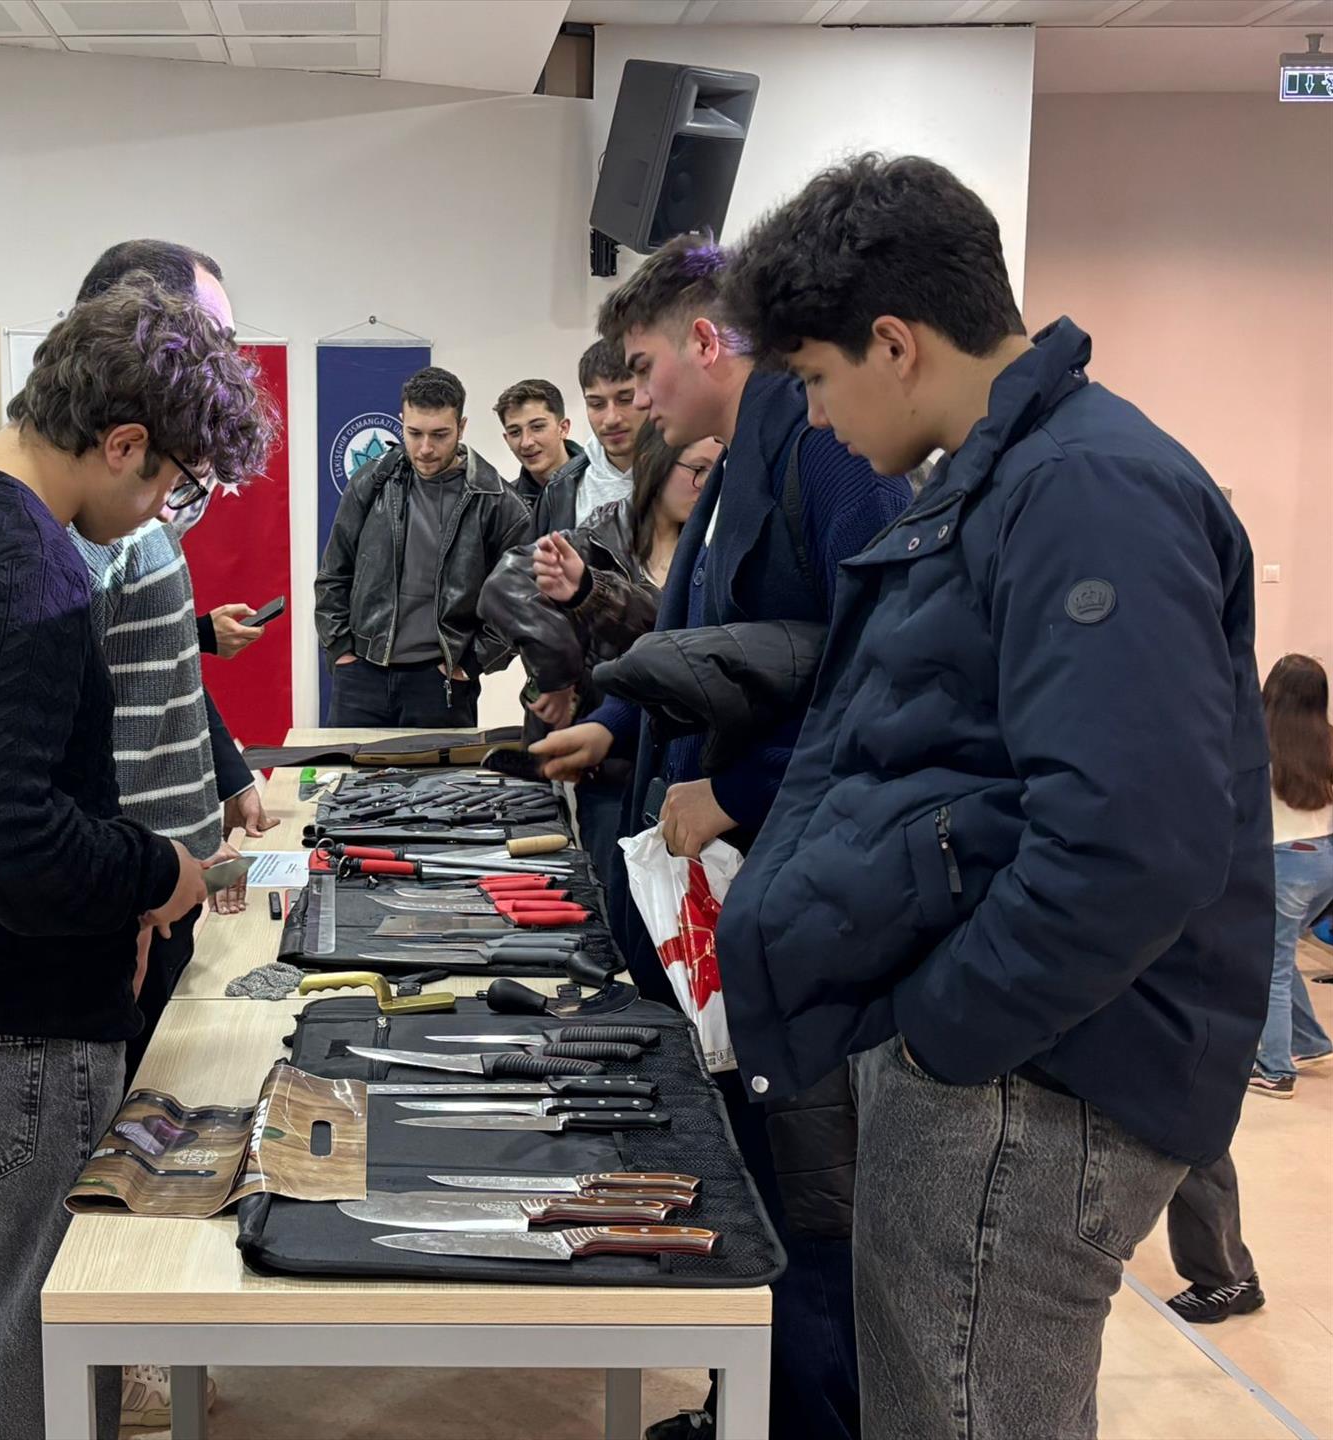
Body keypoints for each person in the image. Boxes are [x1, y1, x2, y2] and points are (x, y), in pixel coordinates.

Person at [714, 153, 1272, 1440]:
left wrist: (940, 1035)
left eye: (814, 379)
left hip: (1033, 1084)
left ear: (894, 343)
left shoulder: (1086, 488)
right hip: (1013, 1072)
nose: (814, 419)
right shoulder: (1016, 473)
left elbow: (1134, 844)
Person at [0, 277, 271, 1440]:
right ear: (122, 443)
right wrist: (152, 873)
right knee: (17, 1388)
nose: (164, 508)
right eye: (169, 482)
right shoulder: (32, 570)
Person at [533, 237, 909, 1440]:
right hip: (730, 898)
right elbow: (701, 650)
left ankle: (806, 1418)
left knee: (800, 1194)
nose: (637, 400)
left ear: (706, 341)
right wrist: (612, 727)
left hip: (798, 893)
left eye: (643, 369)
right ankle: (742, 1403)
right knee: (733, 1175)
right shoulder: (740, 460)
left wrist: (739, 792)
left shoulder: (822, 450)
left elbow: (884, 675)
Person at [65, 240, 279, 1087]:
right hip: (130, 897)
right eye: (213, 338)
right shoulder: (88, 524)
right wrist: (128, 889)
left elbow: (158, 663)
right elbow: (59, 748)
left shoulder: (135, 507)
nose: (227, 362)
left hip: (160, 884)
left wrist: (223, 776)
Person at [481, 424, 716, 887]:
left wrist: (591, 593)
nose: (706, 484)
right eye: (696, 469)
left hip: (688, 770)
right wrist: (557, 675)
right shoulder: (596, 538)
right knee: (611, 898)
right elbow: (504, 585)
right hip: (609, 768)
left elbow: (675, 637)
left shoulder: (709, 552)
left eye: (716, 470)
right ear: (653, 466)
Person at [315, 365, 531, 728]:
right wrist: (340, 651)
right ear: (402, 422)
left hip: (442, 685)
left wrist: (472, 663)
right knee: (346, 769)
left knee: (441, 772)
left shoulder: (498, 502)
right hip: (361, 678)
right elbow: (334, 575)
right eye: (414, 433)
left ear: (462, 427)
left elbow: (518, 604)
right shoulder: (371, 482)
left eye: (440, 435)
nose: (425, 448)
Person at [1250, 651, 1333, 1097]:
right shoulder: (1328, 742)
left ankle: (1276, 1070)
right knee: (1279, 955)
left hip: (1283, 862)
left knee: (1271, 966)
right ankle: (1310, 1041)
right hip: (1324, 862)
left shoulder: (1257, 742)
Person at [497, 377, 589, 533]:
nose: (526, 442)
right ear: (506, 440)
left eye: (537, 427)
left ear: (563, 428)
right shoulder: (505, 505)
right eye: (515, 432)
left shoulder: (599, 483)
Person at [576, 336, 644, 511]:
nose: (611, 419)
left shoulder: (693, 473)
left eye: (626, 400)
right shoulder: (562, 489)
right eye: (597, 404)